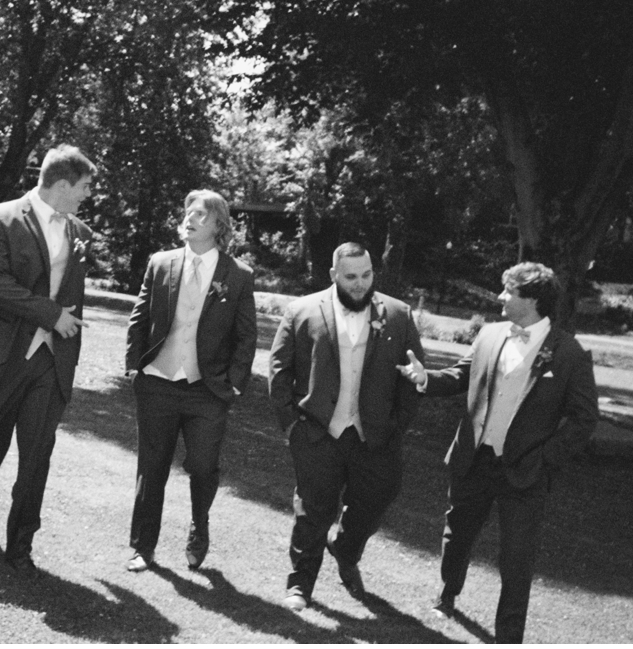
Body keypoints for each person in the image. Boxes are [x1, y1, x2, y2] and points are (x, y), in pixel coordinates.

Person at [397, 261, 599, 643]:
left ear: (533, 299)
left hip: (525, 472)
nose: (500, 297)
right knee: (456, 536)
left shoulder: (569, 353)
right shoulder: (489, 335)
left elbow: (584, 418)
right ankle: (446, 596)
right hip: (475, 459)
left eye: (509, 291)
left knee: (517, 557)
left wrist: (545, 459)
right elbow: (461, 375)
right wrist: (425, 378)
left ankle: (509, 635)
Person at [0, 144, 96, 578]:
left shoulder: (80, 232)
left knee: (37, 454)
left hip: (52, 362)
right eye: (84, 187)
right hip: (1, 352)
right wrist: (51, 315)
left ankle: (21, 544)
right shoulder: (0, 217)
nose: (87, 195)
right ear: (62, 184)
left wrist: (61, 326)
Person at [268, 242, 423, 612]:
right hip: (318, 431)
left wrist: (396, 428)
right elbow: (278, 370)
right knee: (312, 511)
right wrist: (292, 425)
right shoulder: (302, 310)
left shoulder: (398, 315)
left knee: (377, 499)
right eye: (351, 277)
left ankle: (346, 548)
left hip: (375, 436)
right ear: (334, 275)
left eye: (366, 275)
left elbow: (413, 375)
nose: (359, 284)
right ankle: (300, 585)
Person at [124, 189, 257, 572]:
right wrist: (135, 365)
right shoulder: (161, 263)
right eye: (187, 212)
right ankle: (142, 548)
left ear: (218, 225)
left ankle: (200, 526)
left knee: (202, 465)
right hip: (158, 382)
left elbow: (247, 336)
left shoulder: (238, 275)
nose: (189, 218)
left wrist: (233, 382)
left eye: (200, 214)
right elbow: (139, 315)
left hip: (207, 389)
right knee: (152, 467)